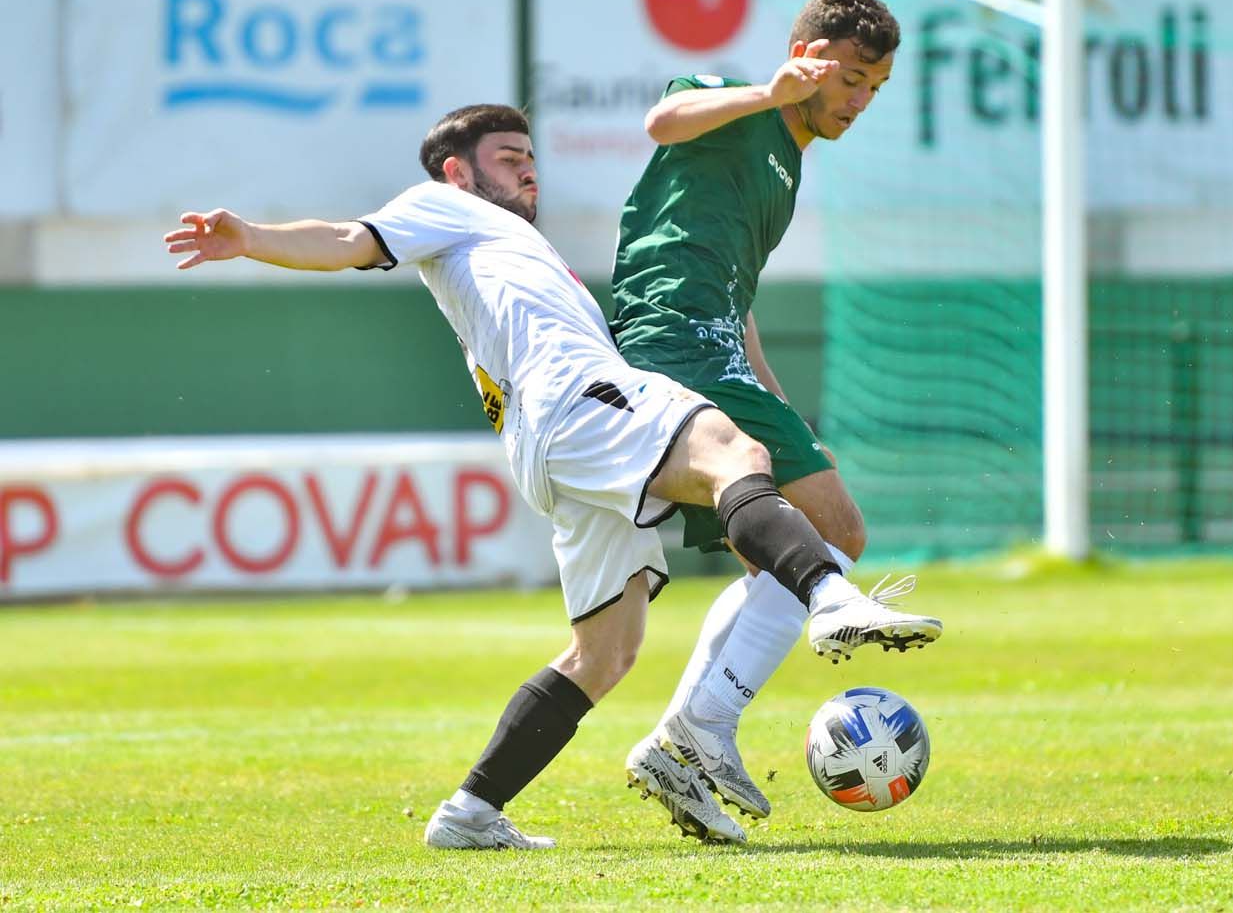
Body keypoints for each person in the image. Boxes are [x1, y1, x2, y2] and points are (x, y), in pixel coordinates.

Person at [161, 103, 942, 850]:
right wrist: (252, 237)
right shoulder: (448, 207)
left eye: (532, 158)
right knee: (735, 455)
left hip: (552, 442)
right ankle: (829, 597)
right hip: (575, 402)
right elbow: (346, 238)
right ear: (456, 173)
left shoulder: (508, 243)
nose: (528, 172)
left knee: (604, 654)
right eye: (508, 159)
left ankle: (470, 809)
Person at [610, 0, 906, 829]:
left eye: (873, 89)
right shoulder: (734, 104)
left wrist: (782, 406)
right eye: (849, 77)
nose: (857, 101)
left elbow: (739, 300)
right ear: (805, 55)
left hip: (714, 347)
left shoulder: (788, 162)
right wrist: (767, 93)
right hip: (673, 339)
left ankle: (687, 741)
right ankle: (697, 730)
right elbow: (661, 124)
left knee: (775, 559)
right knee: (836, 537)